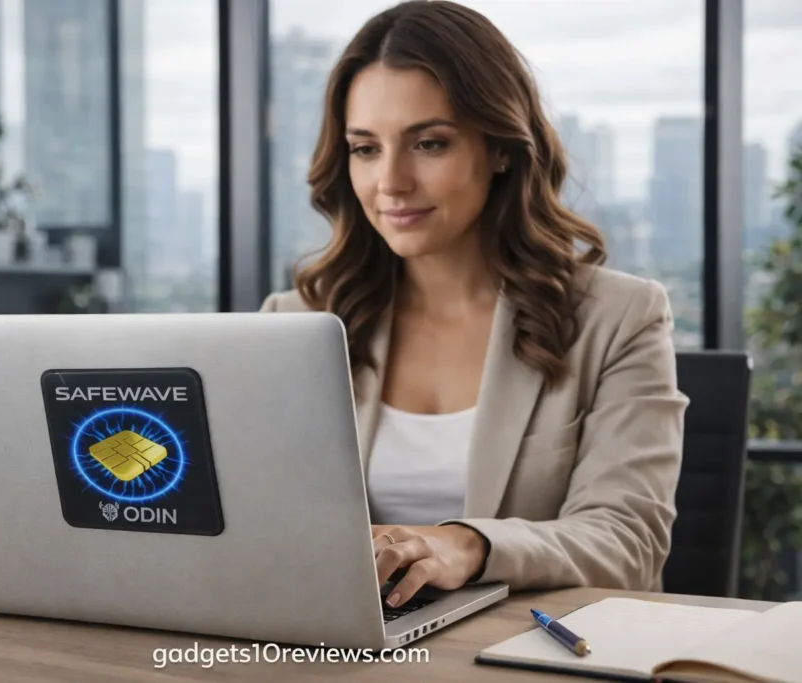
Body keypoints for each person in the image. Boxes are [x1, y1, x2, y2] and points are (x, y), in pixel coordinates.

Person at [260, 0, 688, 609]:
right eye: (365, 149)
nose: (391, 183)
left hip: (531, 654)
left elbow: (627, 540)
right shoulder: (293, 326)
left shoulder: (617, 319)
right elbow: (252, 529)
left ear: (502, 148)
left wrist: (470, 544)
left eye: (429, 144)